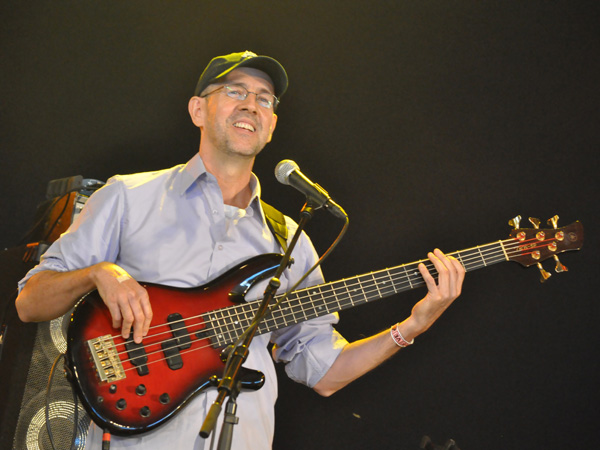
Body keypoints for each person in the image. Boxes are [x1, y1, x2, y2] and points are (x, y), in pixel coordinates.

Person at [15, 51, 465, 449]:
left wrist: (413, 326)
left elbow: (325, 373)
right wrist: (99, 273)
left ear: (271, 126)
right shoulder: (127, 197)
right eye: (235, 91)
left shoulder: (289, 240)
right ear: (197, 109)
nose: (252, 103)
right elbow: (30, 301)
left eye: (266, 99)